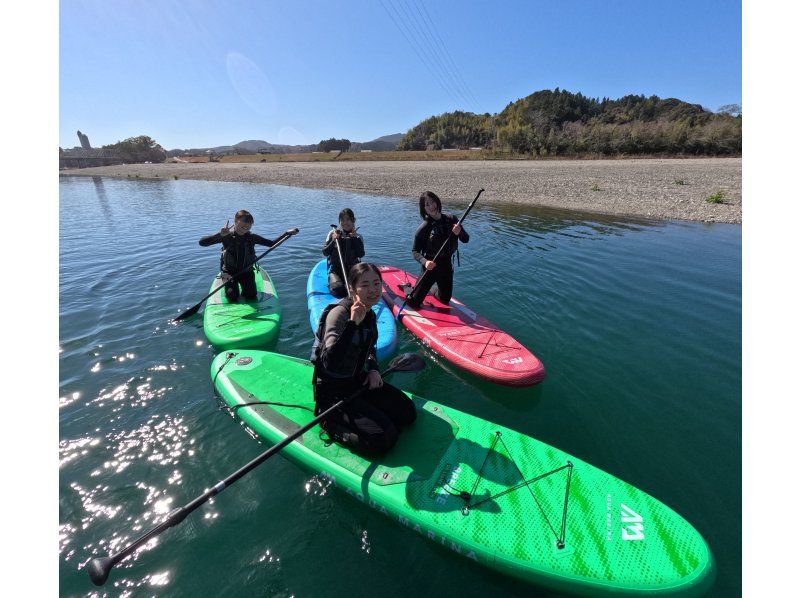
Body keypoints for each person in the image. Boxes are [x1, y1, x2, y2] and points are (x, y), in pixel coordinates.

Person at [311, 263, 417, 454]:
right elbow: (330, 361)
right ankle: (330, 423)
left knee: (408, 413)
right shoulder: (339, 314)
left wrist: (374, 369)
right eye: (365, 285)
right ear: (352, 288)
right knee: (384, 439)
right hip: (333, 391)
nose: (373, 290)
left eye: (377, 283)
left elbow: (370, 349)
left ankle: (369, 413)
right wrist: (352, 325)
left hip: (357, 382)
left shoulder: (369, 313)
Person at [406, 191, 469, 308]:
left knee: (445, 300)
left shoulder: (451, 219)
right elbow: (415, 251)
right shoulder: (423, 228)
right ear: (423, 209)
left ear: (437, 201)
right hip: (431, 266)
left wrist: (459, 232)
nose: (432, 206)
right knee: (414, 303)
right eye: (427, 204)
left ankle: (431, 288)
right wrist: (425, 262)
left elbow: (466, 239)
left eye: (433, 202)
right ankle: (409, 289)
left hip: (446, 265)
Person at [199, 210, 275, 302]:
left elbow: (272, 243)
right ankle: (231, 288)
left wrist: (287, 233)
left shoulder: (252, 237)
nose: (246, 226)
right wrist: (219, 235)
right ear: (235, 221)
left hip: (246, 272)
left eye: (249, 224)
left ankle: (245, 289)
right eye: (244, 223)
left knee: (251, 295)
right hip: (229, 273)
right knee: (232, 296)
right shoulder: (226, 235)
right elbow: (202, 243)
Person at [322, 208, 364, 298]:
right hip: (336, 270)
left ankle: (348, 285)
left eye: (348, 219)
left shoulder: (358, 237)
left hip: (353, 270)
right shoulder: (332, 234)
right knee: (338, 290)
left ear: (353, 220)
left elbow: (361, 254)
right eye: (342, 220)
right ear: (339, 222)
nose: (345, 222)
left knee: (355, 290)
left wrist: (354, 239)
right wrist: (333, 241)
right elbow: (325, 252)